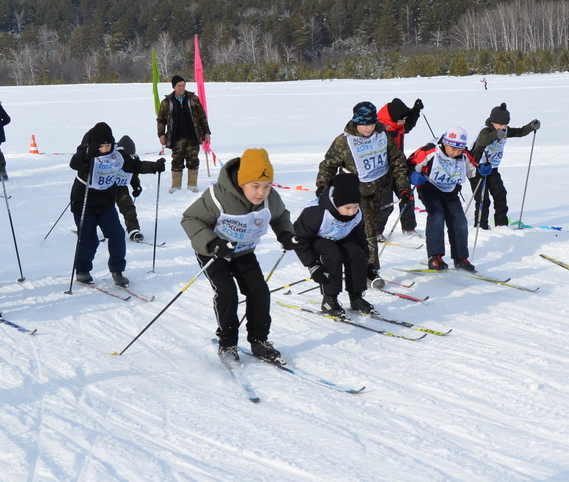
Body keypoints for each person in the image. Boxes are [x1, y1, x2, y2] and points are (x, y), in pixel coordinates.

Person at [181, 148, 295, 366]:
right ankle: (228, 343)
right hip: (213, 254)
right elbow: (190, 219)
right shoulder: (217, 197)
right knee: (227, 292)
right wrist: (213, 242)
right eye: (255, 186)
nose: (261, 192)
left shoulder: (271, 199)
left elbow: (280, 216)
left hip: (243, 252)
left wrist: (286, 234)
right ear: (242, 182)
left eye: (267, 186)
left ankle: (259, 340)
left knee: (259, 290)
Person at [315, 100, 414, 288]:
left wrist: (403, 188)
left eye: (372, 123)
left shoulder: (382, 135)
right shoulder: (344, 141)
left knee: (367, 229)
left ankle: (352, 259)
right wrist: (322, 186)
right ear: (356, 122)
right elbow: (328, 165)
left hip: (379, 191)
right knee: (368, 231)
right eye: (364, 124)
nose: (369, 128)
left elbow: (398, 162)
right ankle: (371, 272)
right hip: (355, 195)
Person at [68, 122, 164, 287]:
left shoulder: (117, 154)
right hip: (84, 201)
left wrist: (153, 167)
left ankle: (117, 271)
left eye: (108, 145)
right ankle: (82, 270)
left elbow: (134, 165)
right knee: (89, 240)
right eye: (102, 146)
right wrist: (86, 155)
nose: (105, 149)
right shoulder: (85, 150)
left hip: (105, 201)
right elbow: (74, 163)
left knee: (117, 235)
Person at [292, 172, 375, 318]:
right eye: (348, 208)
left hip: (340, 235)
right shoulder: (316, 213)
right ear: (336, 203)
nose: (352, 212)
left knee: (356, 254)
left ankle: (356, 297)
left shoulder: (357, 214)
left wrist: (366, 262)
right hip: (317, 238)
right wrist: (312, 265)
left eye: (356, 206)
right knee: (332, 254)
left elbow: (360, 237)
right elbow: (300, 239)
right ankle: (329, 299)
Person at [409, 127, 477, 271]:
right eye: (453, 148)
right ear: (445, 143)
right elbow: (411, 163)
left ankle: (461, 258)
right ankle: (435, 257)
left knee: (459, 221)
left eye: (459, 150)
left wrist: (482, 169)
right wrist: (413, 175)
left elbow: (473, 170)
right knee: (437, 216)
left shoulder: (464, 155)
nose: (455, 153)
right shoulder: (431, 150)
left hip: (450, 191)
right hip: (429, 189)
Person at [469, 103, 541, 230]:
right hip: (477, 170)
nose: (503, 127)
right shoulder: (486, 131)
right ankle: (481, 227)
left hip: (492, 169)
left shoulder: (505, 130)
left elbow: (520, 132)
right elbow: (482, 141)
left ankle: (501, 226)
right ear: (492, 122)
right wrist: (495, 135)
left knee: (500, 195)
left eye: (505, 124)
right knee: (483, 200)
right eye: (500, 124)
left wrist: (530, 126)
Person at [376, 96, 423, 233]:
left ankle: (409, 229)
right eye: (402, 118)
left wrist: (415, 111)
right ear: (395, 116)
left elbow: (408, 125)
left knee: (407, 197)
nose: (404, 121)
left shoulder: (397, 125)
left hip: (399, 169)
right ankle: (376, 232)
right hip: (383, 173)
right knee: (386, 205)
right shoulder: (380, 129)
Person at [156, 74, 210, 192]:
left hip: (193, 136)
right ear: (174, 87)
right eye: (179, 85)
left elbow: (202, 117)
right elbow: (161, 119)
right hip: (176, 137)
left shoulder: (193, 99)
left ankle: (192, 184)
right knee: (176, 160)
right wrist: (161, 134)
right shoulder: (167, 102)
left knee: (193, 160)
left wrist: (206, 132)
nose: (181, 88)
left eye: (183, 85)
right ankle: (176, 185)